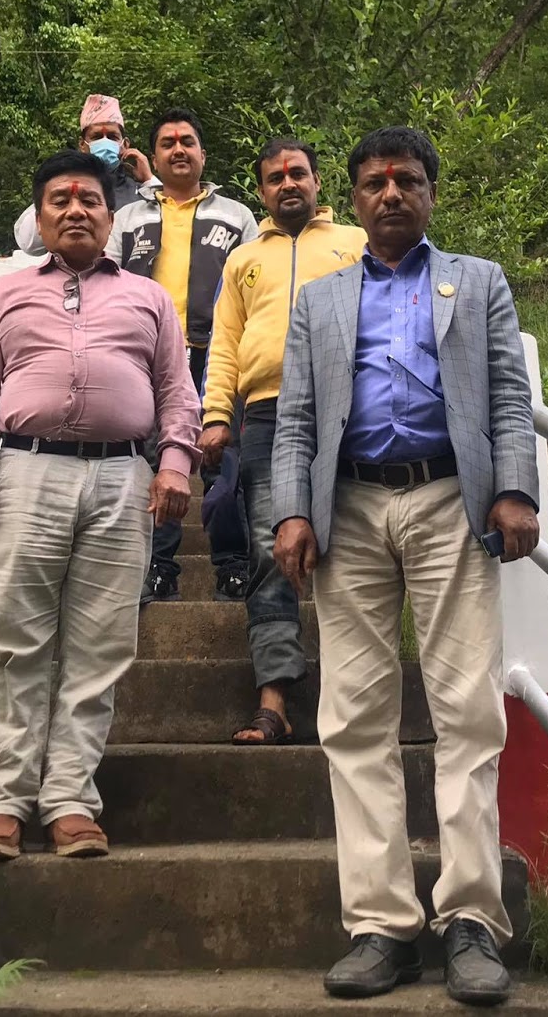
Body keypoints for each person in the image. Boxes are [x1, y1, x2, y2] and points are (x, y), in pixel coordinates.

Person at [271, 127, 540, 1006]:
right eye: (376, 182)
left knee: (467, 707)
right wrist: (292, 510)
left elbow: (508, 395)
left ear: (430, 192)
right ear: (352, 199)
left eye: (408, 180)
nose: (391, 193)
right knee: (353, 717)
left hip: (450, 503)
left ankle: (470, 921)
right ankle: (381, 926)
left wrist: (515, 490)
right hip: (347, 509)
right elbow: (296, 417)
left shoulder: (479, 281)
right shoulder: (318, 299)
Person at [0, 149, 199, 862]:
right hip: (29, 473)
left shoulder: (149, 298)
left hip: (122, 478)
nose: (76, 210)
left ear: (111, 218)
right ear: (40, 217)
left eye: (89, 200)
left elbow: (177, 391)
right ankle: (3, 804)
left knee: (101, 646)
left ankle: (70, 802)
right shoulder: (5, 295)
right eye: (60, 200)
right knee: (14, 639)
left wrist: (174, 463)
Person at [198, 137, 361, 744]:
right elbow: (224, 343)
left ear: (317, 181)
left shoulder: (356, 243)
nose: (288, 183)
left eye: (298, 173)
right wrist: (217, 414)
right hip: (265, 414)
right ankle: (273, 701)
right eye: (275, 177)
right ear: (262, 191)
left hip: (350, 410)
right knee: (272, 550)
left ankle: (358, 700)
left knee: (357, 546)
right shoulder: (242, 260)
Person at [112, 108, 257, 602]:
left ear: (202, 154)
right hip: (145, 357)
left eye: (187, 141)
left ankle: (233, 565)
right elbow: (106, 280)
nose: (178, 149)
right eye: (168, 142)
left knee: (225, 463)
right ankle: (159, 567)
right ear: (153, 158)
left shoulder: (236, 216)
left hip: (218, 354)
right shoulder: (127, 218)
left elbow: (255, 286)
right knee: (155, 461)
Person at [12, 94, 154, 254]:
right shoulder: (64, 186)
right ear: (82, 144)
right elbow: (28, 243)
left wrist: (149, 181)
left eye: (112, 137)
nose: (105, 142)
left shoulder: (140, 193)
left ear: (125, 145)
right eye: (97, 137)